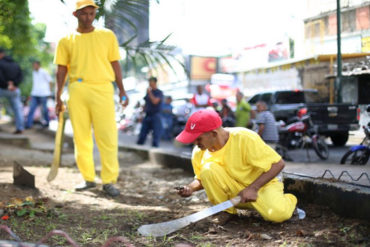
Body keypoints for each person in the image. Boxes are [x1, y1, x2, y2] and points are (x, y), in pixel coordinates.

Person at [54, 0, 129, 197]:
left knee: (107, 136)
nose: (88, 17)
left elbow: (115, 64)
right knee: (81, 137)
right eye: (84, 13)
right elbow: (61, 70)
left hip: (103, 88)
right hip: (77, 89)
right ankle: (88, 178)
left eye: (91, 13)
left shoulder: (106, 36)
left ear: (95, 13)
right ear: (75, 14)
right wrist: (58, 97)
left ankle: (109, 181)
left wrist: (122, 90)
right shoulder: (66, 40)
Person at [175, 109, 297, 224]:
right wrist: (190, 188)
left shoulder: (244, 138)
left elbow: (278, 164)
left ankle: (289, 202)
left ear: (213, 133)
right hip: (238, 195)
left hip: (261, 187)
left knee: (277, 215)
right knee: (208, 170)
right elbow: (202, 178)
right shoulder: (199, 151)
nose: (195, 143)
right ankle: (225, 211)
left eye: (198, 139)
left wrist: (253, 188)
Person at [0, 47, 24, 134]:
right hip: (14, 90)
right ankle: (20, 128)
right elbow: (21, 76)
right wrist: (14, 84)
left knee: (17, 108)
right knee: (17, 109)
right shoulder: (16, 64)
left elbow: (0, 77)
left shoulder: (1, 63)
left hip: (3, 89)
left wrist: (7, 85)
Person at [136, 77, 163, 147]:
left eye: (151, 82)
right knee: (142, 133)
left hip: (156, 115)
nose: (150, 84)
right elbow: (145, 104)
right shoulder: (148, 93)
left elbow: (155, 101)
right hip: (147, 115)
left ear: (155, 83)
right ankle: (139, 146)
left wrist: (150, 93)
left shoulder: (159, 92)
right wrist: (141, 114)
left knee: (156, 134)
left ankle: (155, 148)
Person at [25, 61, 52, 129]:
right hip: (35, 93)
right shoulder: (34, 72)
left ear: (38, 65)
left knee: (44, 109)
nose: (34, 67)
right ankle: (28, 124)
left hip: (43, 93)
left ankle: (47, 122)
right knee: (31, 109)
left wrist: (49, 92)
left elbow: (50, 81)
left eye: (35, 65)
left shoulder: (44, 72)